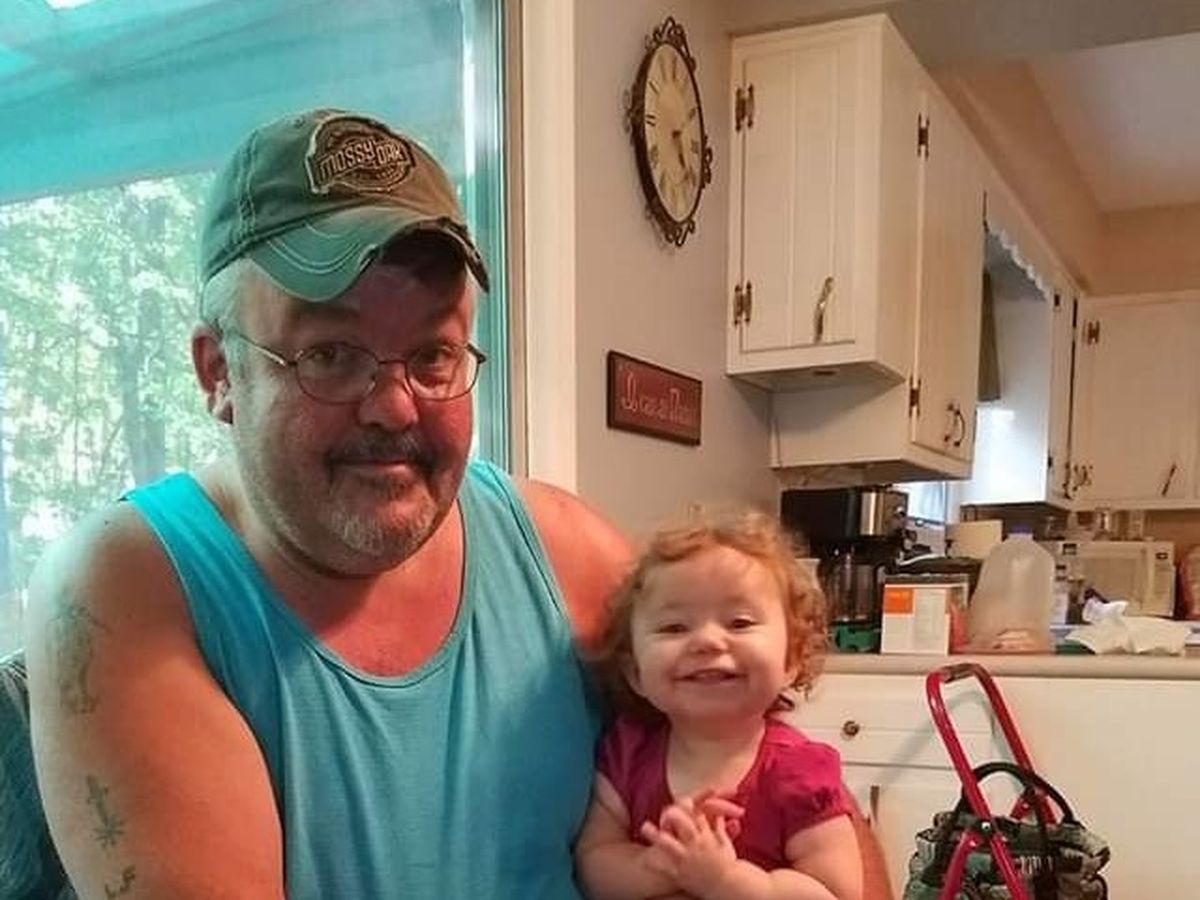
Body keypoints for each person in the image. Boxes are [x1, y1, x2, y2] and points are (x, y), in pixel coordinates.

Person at [22, 108, 632, 899]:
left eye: (433, 354)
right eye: (331, 355)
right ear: (219, 373)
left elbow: (768, 805)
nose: (395, 407)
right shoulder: (124, 587)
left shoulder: (565, 553)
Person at [575, 508, 864, 900]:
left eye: (739, 622)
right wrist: (659, 864)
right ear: (636, 673)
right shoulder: (627, 752)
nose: (707, 641)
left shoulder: (798, 773)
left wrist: (727, 882)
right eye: (674, 627)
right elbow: (594, 863)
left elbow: (836, 892)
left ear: (791, 660)